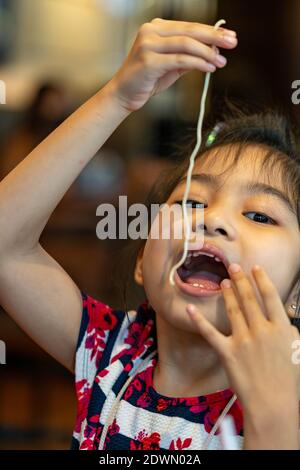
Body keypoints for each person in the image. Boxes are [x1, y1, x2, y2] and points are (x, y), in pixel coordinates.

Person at [0, 18, 299, 450]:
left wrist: (272, 414)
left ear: (297, 293)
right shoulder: (110, 353)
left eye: (260, 215)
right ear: (143, 260)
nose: (213, 220)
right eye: (192, 203)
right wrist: (116, 98)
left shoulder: (291, 406)